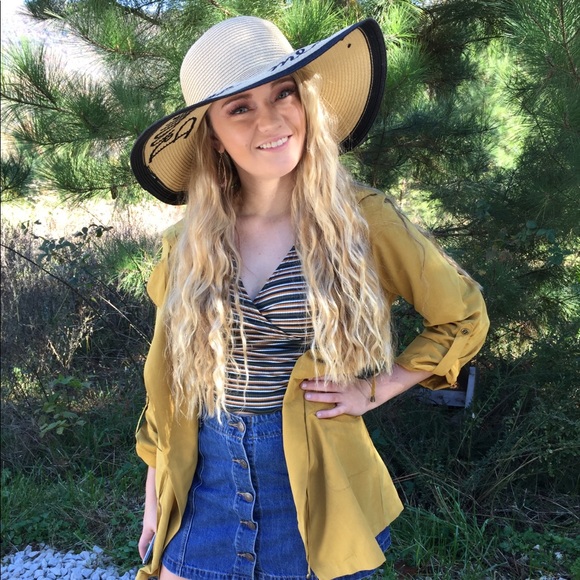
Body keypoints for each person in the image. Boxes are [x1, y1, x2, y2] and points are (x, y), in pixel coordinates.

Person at [130, 15, 489, 580]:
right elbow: (167, 376)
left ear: (305, 100)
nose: (272, 120)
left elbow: (461, 314)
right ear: (213, 135)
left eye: (284, 93)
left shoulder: (360, 219)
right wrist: (156, 488)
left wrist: (376, 388)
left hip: (317, 488)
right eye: (240, 108)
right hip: (204, 486)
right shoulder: (188, 242)